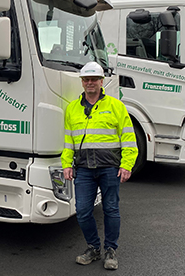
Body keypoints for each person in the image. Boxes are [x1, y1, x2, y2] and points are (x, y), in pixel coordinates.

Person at [61, 61, 137, 270]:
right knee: (83, 210)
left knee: (111, 209)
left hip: (109, 168)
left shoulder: (116, 106)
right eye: (86, 79)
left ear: (102, 81)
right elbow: (69, 142)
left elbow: (129, 139)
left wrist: (127, 164)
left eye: (94, 79)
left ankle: (110, 250)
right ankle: (93, 248)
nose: (90, 83)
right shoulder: (72, 109)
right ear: (82, 82)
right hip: (84, 169)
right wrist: (66, 164)